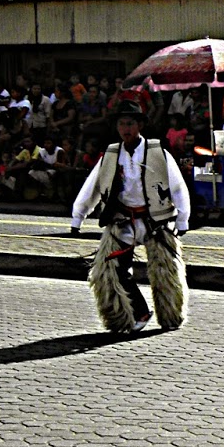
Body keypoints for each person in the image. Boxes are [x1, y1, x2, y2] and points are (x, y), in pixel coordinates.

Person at [70, 99, 191, 336]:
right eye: (122, 124)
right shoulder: (111, 156)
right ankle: (134, 314)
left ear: (140, 126)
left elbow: (178, 187)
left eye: (130, 124)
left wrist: (183, 218)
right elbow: (92, 187)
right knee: (109, 270)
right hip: (122, 220)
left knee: (166, 271)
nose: (126, 129)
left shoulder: (159, 153)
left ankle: (171, 315)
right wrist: (78, 216)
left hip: (155, 221)